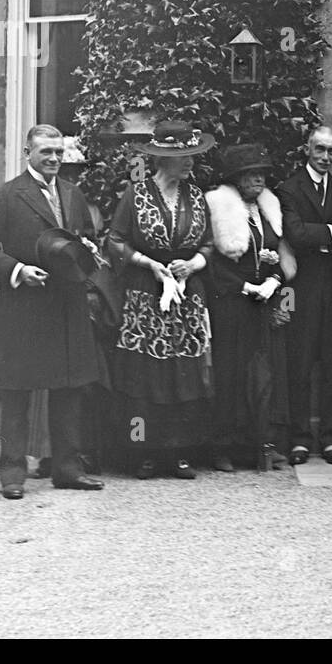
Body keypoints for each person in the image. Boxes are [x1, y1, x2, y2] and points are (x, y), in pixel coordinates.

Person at [0, 123, 104, 498]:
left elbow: (80, 240)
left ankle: (68, 468)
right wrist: (17, 270)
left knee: (70, 388)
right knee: (17, 390)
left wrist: (88, 252)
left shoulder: (73, 194)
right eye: (46, 151)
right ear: (27, 153)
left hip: (67, 304)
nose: (53, 159)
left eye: (59, 152)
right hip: (25, 305)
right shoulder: (6, 196)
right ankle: (13, 474)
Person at [106, 121, 215, 480]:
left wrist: (193, 264)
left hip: (185, 297)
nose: (190, 164)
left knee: (183, 376)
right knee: (145, 376)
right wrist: (148, 263)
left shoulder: (196, 196)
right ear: (163, 159)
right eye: (183, 157)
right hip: (145, 296)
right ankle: (143, 452)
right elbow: (115, 241)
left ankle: (180, 453)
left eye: (192, 156)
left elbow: (209, 246)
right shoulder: (136, 194)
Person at [206, 143, 297, 471]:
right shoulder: (220, 209)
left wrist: (273, 281)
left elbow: (276, 253)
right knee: (230, 375)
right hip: (231, 304)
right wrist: (246, 286)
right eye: (250, 175)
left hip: (262, 306)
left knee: (263, 377)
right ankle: (223, 447)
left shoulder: (266, 208)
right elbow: (214, 266)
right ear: (236, 180)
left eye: (261, 174)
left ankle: (260, 445)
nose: (258, 180)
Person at [277, 124, 332, 466]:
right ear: (307, 149)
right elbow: (294, 234)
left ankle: (330, 437)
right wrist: (330, 231)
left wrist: (324, 235)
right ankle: (298, 438)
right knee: (300, 362)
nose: (326, 157)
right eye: (320, 149)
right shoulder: (289, 188)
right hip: (301, 287)